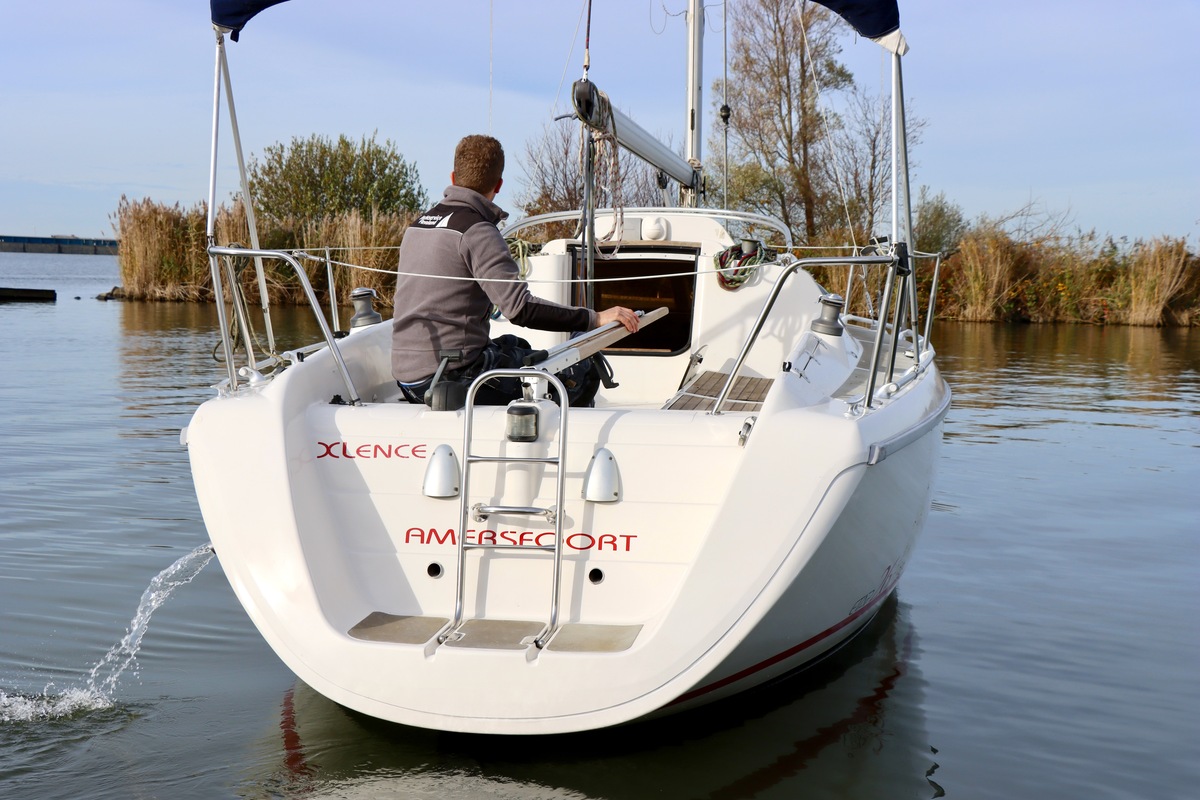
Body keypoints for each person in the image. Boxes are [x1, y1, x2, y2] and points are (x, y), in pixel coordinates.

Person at [391, 134, 639, 406]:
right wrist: (594, 319)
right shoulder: (477, 231)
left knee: (517, 345)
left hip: (407, 378)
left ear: (453, 177)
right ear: (498, 185)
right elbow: (521, 310)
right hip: (448, 378)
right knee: (580, 376)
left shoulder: (417, 226)